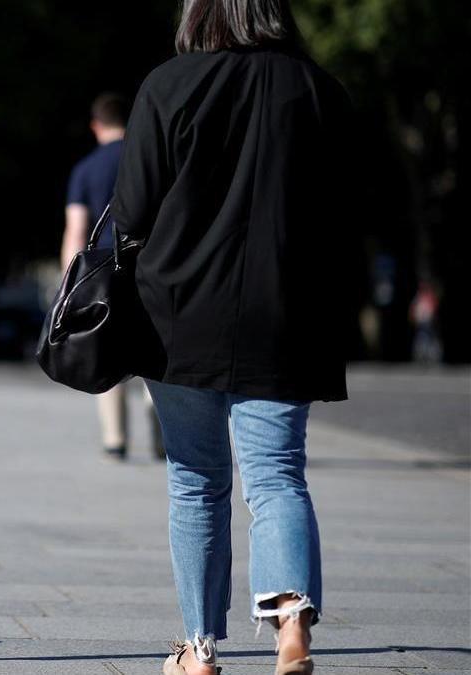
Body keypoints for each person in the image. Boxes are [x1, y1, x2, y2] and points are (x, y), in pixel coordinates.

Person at [110, 1, 358, 673]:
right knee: (277, 474)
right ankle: (290, 628)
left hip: (177, 316)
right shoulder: (318, 89)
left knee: (195, 478)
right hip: (285, 313)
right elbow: (348, 209)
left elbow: (131, 210)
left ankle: (199, 648)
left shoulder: (169, 84)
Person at [61, 93, 163, 462]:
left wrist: (69, 281)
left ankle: (115, 439)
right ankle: (162, 434)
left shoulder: (86, 169)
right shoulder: (150, 160)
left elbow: (76, 230)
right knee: (153, 352)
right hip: (150, 266)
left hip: (105, 272)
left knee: (107, 349)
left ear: (95, 125)